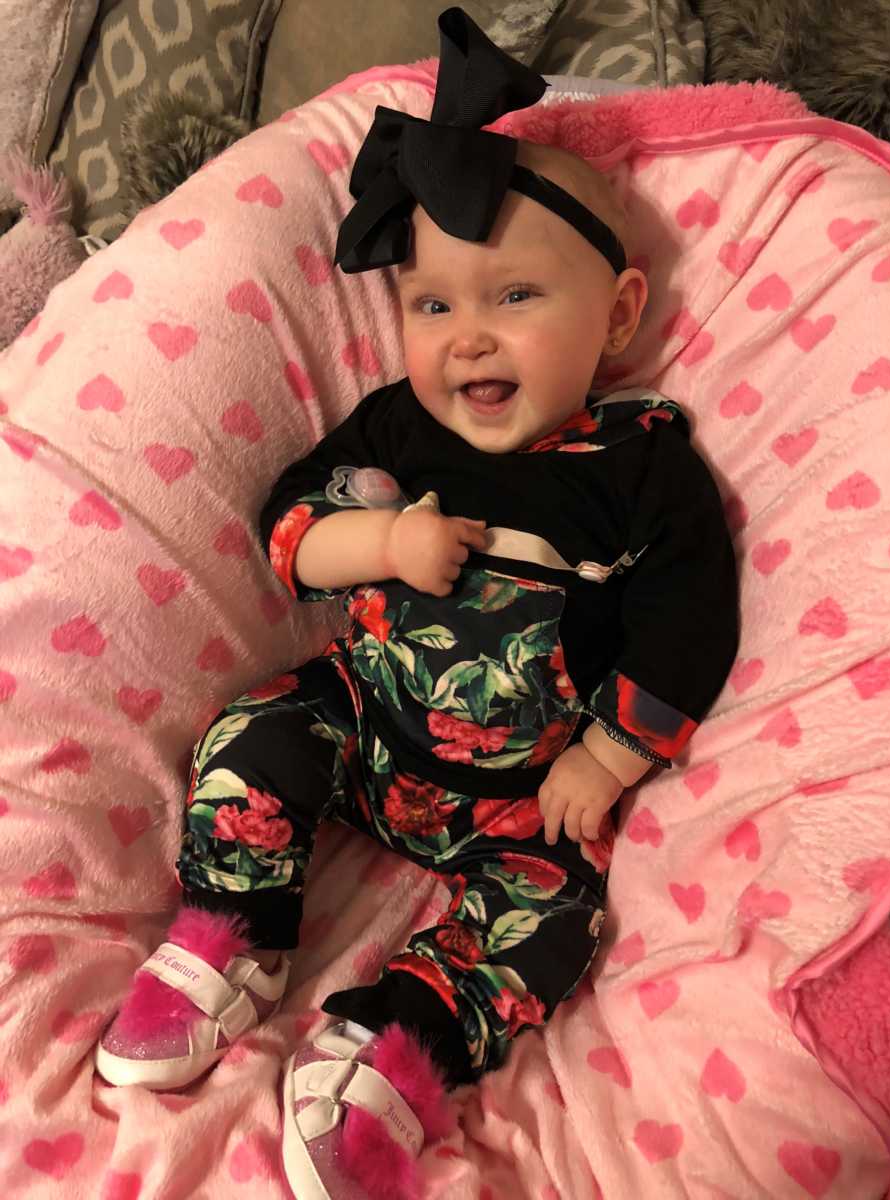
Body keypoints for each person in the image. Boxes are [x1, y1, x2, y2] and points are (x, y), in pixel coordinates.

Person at [94, 9, 738, 1199]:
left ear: (620, 313)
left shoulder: (637, 462)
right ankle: (234, 936)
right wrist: (381, 537)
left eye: (514, 298)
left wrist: (605, 753)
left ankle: (397, 1047)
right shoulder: (398, 423)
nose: (467, 339)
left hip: (522, 800)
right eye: (434, 307)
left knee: (556, 927)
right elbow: (288, 524)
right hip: (367, 722)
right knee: (253, 732)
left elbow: (693, 613)